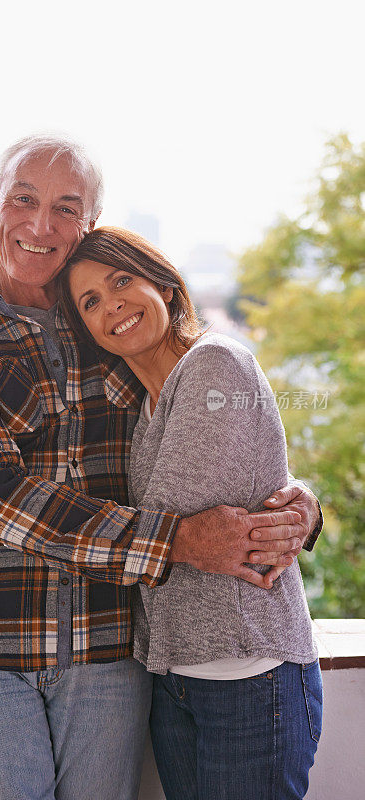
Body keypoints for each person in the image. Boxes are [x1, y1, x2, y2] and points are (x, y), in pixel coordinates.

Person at [0, 135, 322, 800]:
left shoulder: (108, 328)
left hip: (108, 646)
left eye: (66, 208)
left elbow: (203, 433)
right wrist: (176, 540)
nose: (41, 226)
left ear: (89, 222)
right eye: (24, 200)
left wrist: (297, 499)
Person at [57, 226, 322, 800]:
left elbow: (165, 525)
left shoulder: (214, 365)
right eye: (91, 302)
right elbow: (155, 533)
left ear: (165, 285)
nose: (113, 305)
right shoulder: (141, 409)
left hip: (251, 675)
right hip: (176, 683)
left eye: (121, 280)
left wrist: (16, 522)